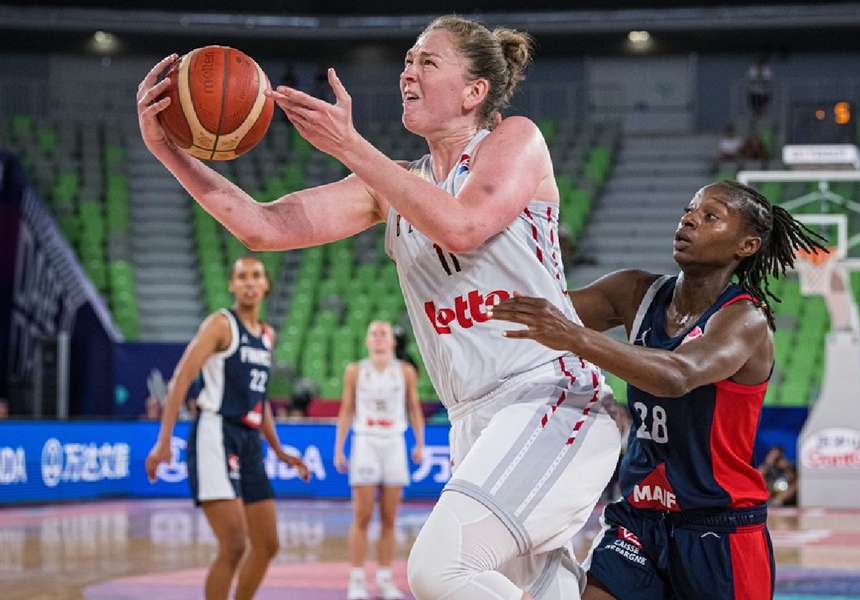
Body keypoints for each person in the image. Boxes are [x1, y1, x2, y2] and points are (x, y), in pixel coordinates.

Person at [136, 14, 621, 600]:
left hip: (550, 396)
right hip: (474, 418)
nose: (407, 72)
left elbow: (461, 225)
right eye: (407, 60)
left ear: (475, 92)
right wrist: (167, 151)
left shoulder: (514, 139)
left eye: (427, 62)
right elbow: (262, 226)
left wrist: (350, 145)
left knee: (439, 569)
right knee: (542, 591)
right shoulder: (388, 186)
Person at [490, 180, 827, 599]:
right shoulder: (635, 291)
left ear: (747, 245)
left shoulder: (745, 320)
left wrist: (575, 338)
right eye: (689, 210)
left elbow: (678, 375)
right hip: (639, 519)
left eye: (710, 216)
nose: (688, 219)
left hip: (718, 527)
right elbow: (540, 313)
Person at [144, 257, 310, 600]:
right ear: (232, 286)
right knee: (234, 544)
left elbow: (259, 401)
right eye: (242, 277)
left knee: (267, 544)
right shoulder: (220, 325)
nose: (250, 282)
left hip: (249, 439)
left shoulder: (267, 334)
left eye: (256, 276)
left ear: (266, 285)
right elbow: (180, 381)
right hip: (214, 433)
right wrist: (164, 443)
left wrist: (279, 450)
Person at [333, 320, 425, 600]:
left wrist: (419, 443)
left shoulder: (406, 372)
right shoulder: (355, 371)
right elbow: (347, 409)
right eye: (373, 333)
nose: (379, 338)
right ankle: (357, 580)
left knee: (389, 518)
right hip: (366, 441)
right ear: (366, 341)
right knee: (361, 517)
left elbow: (414, 408)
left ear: (393, 341)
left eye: (384, 333)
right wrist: (339, 447)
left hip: (394, 442)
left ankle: (385, 579)